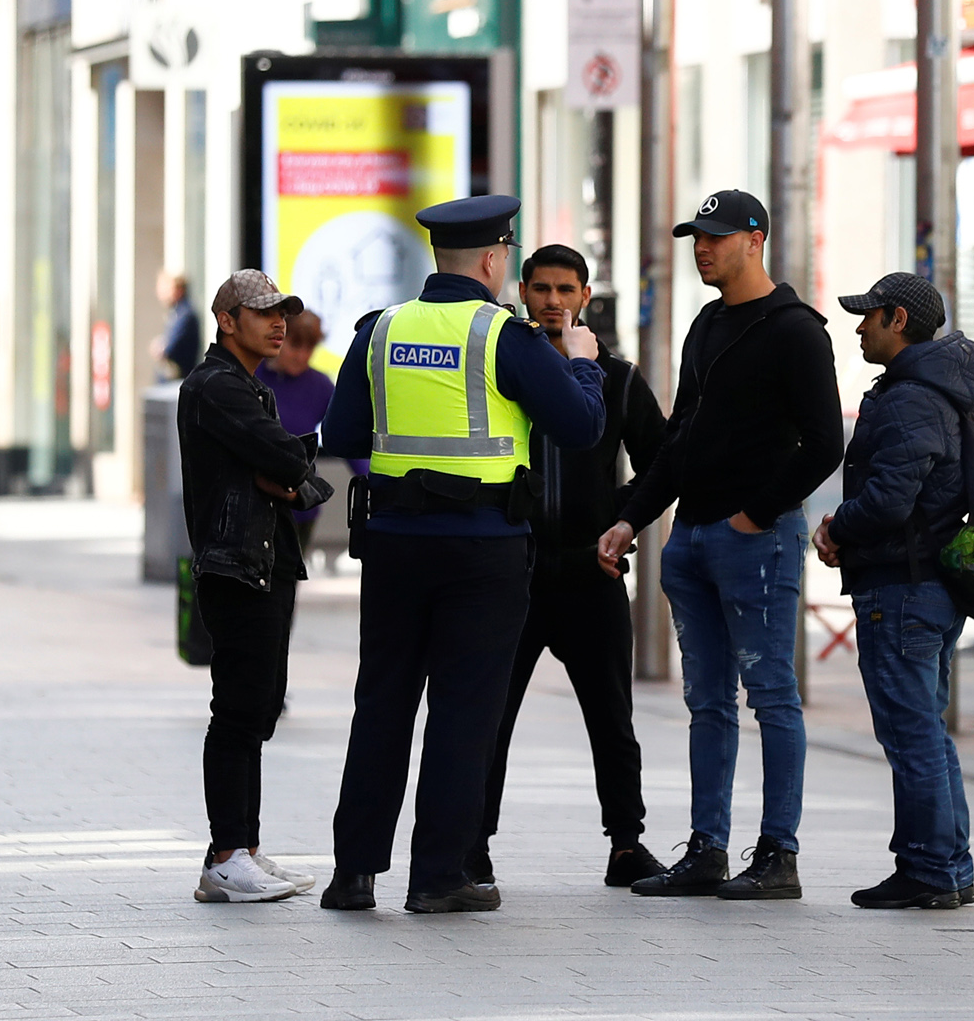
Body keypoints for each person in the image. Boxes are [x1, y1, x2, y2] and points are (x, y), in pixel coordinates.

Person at [319, 195, 607, 915]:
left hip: (393, 545)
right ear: (491, 259)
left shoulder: (381, 331)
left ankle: (353, 875)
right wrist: (581, 364)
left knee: (381, 702)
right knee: (462, 709)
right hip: (482, 550)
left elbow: (344, 430)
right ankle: (438, 876)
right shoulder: (503, 337)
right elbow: (580, 429)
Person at [597, 189, 843, 900]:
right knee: (706, 702)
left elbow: (824, 442)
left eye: (715, 236)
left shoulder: (796, 330)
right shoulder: (705, 325)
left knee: (772, 696)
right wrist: (633, 517)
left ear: (755, 239)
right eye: (695, 238)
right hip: (692, 539)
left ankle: (778, 856)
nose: (702, 248)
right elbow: (680, 440)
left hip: (753, 541)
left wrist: (755, 515)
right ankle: (707, 849)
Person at [469, 244, 669, 890]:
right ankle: (474, 844)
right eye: (542, 289)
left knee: (612, 716)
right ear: (523, 292)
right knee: (489, 717)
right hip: (513, 573)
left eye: (566, 290)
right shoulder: (504, 370)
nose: (553, 302)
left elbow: (663, 464)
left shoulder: (619, 379)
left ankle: (627, 844)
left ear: (584, 296)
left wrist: (624, 518)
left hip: (591, 573)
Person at [814, 273, 974, 910]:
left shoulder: (911, 399)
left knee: (911, 735)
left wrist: (836, 527)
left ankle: (929, 870)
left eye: (868, 317)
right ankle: (950, 867)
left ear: (899, 321)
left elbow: (889, 499)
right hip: (924, 587)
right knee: (926, 733)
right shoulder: (935, 390)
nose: (860, 328)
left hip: (903, 588)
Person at [178, 270, 334, 903]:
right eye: (264, 313)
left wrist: (292, 473)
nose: (278, 323)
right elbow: (289, 457)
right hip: (235, 566)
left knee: (260, 707)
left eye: (283, 313)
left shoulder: (250, 388)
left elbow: (294, 468)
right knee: (238, 712)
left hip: (266, 562)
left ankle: (244, 847)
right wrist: (291, 471)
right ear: (227, 321)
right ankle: (223, 855)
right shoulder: (216, 386)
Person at [255, 310, 364, 556]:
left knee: (286, 587)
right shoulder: (253, 376)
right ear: (279, 339)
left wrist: (377, 480)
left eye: (310, 348)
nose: (302, 355)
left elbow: (348, 437)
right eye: (295, 345)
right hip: (254, 503)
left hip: (298, 505)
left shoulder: (320, 385)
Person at [152, 271, 200, 380]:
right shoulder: (176, 312)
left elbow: (168, 348)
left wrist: (160, 347)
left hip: (179, 380)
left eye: (165, 288)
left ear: (177, 289)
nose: (160, 293)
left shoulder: (185, 314)